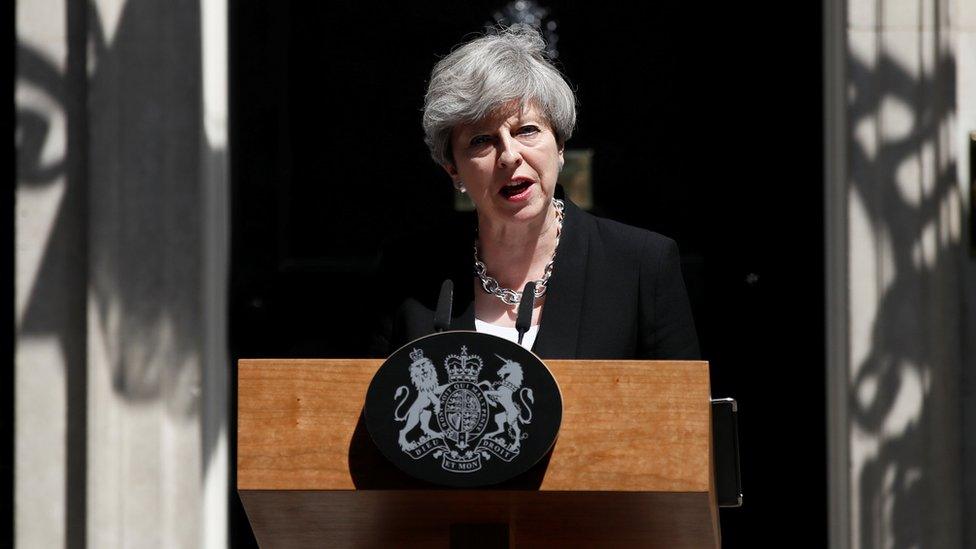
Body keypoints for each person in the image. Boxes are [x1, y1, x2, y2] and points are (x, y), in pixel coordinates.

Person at [369, 25, 699, 360]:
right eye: (481, 140)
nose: (510, 155)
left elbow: (679, 409)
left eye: (526, 130)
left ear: (559, 146)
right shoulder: (407, 273)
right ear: (452, 168)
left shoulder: (642, 265)